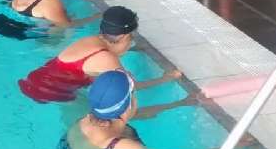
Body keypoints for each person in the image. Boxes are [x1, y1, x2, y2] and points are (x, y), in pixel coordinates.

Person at [40, 71, 254, 149]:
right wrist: (229, 148)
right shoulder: (120, 146)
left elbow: (139, 115)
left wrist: (180, 103)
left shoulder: (89, 118)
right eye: (133, 94)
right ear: (127, 105)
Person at [18, 6, 181, 103]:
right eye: (132, 36)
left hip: (37, 79)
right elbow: (130, 87)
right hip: (49, 91)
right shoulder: (106, 58)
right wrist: (166, 78)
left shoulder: (92, 40)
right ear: (124, 36)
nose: (132, 40)